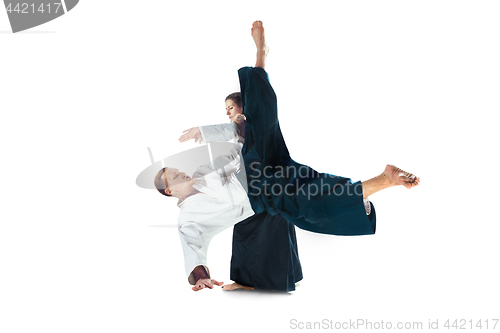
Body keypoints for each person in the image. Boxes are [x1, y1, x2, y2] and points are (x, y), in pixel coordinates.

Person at [157, 20, 420, 291]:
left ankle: (261, 57)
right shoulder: (188, 217)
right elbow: (192, 246)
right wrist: (200, 276)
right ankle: (379, 183)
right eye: (175, 176)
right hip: (257, 197)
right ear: (168, 192)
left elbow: (234, 141)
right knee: (290, 212)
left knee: (265, 130)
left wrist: (210, 132)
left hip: (255, 167)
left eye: (177, 169)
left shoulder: (204, 170)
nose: (182, 172)